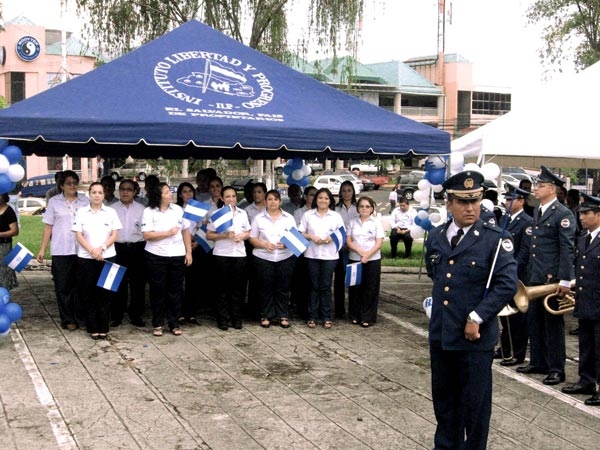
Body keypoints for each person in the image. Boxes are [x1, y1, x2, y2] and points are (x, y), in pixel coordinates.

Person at [425, 170, 517, 450]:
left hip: (474, 339)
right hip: (442, 333)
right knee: (444, 400)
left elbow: (506, 284)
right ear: (449, 203)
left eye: (475, 201)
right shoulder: (438, 236)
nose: (470, 208)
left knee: (475, 406)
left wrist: (477, 316)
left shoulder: (494, 238)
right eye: (463, 202)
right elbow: (436, 274)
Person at [517, 165, 576, 386]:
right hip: (535, 275)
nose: (536, 189)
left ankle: (556, 368)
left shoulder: (562, 214)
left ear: (552, 189)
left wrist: (564, 279)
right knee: (535, 321)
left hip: (551, 277)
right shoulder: (538, 211)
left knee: (553, 325)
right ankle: (539, 361)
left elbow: (566, 248)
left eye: (540, 186)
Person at [37, 170, 89, 330]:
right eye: (68, 183)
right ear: (61, 185)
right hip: (61, 250)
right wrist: (42, 249)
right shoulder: (54, 202)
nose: (72, 186)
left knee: (82, 285)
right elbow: (48, 227)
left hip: (82, 250)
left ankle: (81, 317)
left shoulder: (85, 201)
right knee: (63, 286)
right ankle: (68, 319)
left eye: (74, 182)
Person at [561, 193, 600, 405]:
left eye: (586, 213)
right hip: (586, 300)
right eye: (581, 213)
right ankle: (586, 380)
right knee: (586, 344)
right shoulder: (584, 238)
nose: (582, 217)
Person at [142, 182, 193, 337]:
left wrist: (188, 252)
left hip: (176, 254)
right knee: (158, 291)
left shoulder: (178, 210)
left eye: (170, 192)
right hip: (156, 255)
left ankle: (174, 323)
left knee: (176, 291)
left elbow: (185, 231)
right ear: (158, 196)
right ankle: (157, 323)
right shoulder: (149, 211)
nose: (170, 194)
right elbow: (147, 235)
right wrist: (167, 233)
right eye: (166, 192)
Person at [72, 182, 122, 340]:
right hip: (87, 258)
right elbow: (78, 235)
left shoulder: (111, 212)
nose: (97, 195)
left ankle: (103, 327)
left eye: (100, 192)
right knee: (88, 293)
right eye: (94, 192)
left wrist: (101, 248)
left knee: (105, 293)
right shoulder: (81, 212)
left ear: (104, 195)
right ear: (89, 194)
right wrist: (91, 250)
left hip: (107, 257)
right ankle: (93, 327)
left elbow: (114, 235)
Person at [494, 185, 532, 366]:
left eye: (511, 200)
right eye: (506, 199)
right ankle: (505, 348)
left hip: (517, 276)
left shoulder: (527, 222)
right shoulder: (504, 219)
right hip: (503, 274)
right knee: (505, 315)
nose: (507, 203)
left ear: (521, 201)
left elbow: (524, 253)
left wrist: (509, 271)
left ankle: (518, 353)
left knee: (518, 318)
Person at [249, 190, 297, 328]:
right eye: (269, 199)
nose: (273, 202)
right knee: (265, 287)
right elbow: (252, 238)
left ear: (280, 201)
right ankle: (266, 315)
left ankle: (283, 315)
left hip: (285, 257)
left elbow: (296, 237)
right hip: (263, 257)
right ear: (265, 201)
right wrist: (263, 244)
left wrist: (287, 243)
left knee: (283, 287)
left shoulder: (289, 218)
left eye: (276, 199)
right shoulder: (258, 218)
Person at [207, 186, 251, 330]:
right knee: (222, 289)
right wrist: (224, 235)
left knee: (238, 289)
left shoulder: (242, 213)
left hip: (239, 254)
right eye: (227, 197)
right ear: (222, 198)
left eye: (233, 196)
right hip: (222, 254)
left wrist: (242, 236)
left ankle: (236, 318)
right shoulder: (217, 214)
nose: (231, 199)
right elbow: (209, 235)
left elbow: (248, 231)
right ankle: (223, 319)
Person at [299, 188, 344, 329]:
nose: (323, 201)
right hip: (312, 254)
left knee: (325, 286)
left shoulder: (336, 216)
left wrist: (331, 238)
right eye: (320, 198)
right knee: (313, 286)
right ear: (315, 200)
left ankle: (326, 316)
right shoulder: (308, 215)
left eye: (326, 198)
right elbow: (300, 231)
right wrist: (311, 236)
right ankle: (312, 316)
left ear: (330, 200)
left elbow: (342, 232)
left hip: (330, 255)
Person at [109, 178, 147, 327]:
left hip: (137, 248)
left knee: (138, 284)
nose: (125, 192)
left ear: (135, 192)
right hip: (117, 248)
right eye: (122, 189)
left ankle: (136, 314)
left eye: (129, 189)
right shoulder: (111, 208)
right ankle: (116, 315)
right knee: (116, 283)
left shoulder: (142, 209)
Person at [346, 196, 384, 327]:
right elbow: (349, 241)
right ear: (358, 208)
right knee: (355, 288)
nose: (364, 209)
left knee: (370, 288)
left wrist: (367, 255)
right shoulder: (352, 222)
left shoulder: (376, 223)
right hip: (355, 258)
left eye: (367, 206)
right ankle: (355, 315)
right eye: (361, 206)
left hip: (372, 259)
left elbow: (379, 242)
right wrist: (361, 253)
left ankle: (368, 317)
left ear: (372, 208)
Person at [175, 182, 200, 325]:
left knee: (193, 282)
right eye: (185, 192)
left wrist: (196, 241)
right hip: (179, 247)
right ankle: (179, 312)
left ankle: (191, 312)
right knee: (179, 283)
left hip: (194, 247)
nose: (188, 194)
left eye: (190, 191)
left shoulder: (198, 209)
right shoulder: (176, 209)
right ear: (180, 194)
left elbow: (202, 226)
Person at [290, 186, 317, 320]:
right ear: (305, 197)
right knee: (303, 283)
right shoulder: (299, 213)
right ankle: (303, 310)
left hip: (319, 252)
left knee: (316, 284)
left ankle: (315, 310)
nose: (314, 198)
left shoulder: (322, 213)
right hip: (302, 252)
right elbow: (296, 233)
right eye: (312, 195)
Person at [333, 180, 358, 319]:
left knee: (354, 279)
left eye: (349, 190)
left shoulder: (358, 207)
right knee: (339, 280)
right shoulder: (335, 209)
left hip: (355, 248)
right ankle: (339, 310)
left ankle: (354, 310)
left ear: (353, 192)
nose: (346, 193)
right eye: (344, 190)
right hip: (340, 248)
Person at [0, 193, 18, 290]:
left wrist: (1, 234)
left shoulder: (9, 211)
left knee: (3, 271)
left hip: (4, 246)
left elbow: (14, 231)